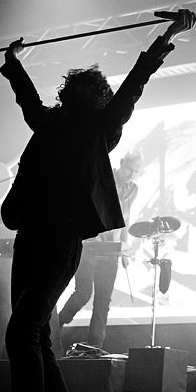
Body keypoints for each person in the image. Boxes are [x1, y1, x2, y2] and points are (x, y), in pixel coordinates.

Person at [0, 10, 196, 392]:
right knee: (38, 338)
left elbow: (134, 84)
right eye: (74, 88)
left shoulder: (102, 127)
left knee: (22, 332)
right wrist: (13, 62)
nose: (77, 93)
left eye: (86, 89)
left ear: (96, 98)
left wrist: (167, 35)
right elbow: (27, 99)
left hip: (60, 240)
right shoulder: (49, 123)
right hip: (29, 237)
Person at [57, 150, 144, 351]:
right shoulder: (103, 178)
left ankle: (95, 346)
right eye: (129, 170)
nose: (132, 175)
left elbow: (126, 217)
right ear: (121, 162)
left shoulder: (133, 189)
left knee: (103, 301)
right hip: (90, 245)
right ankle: (57, 323)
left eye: (136, 172)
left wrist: (124, 247)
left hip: (111, 250)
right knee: (83, 293)